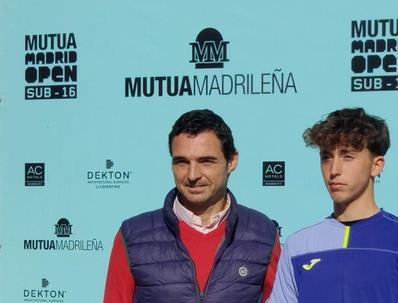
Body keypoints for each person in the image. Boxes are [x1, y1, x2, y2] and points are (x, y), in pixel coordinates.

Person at [268, 107, 398, 303]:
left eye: (347, 156)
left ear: (376, 165)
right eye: (326, 157)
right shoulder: (297, 246)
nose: (334, 170)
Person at [103, 109, 280, 303]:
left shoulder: (264, 234)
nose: (193, 175)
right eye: (182, 162)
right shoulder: (132, 236)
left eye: (206, 161)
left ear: (231, 161)